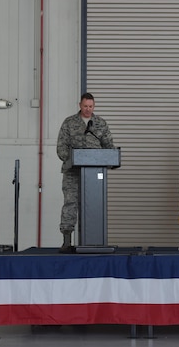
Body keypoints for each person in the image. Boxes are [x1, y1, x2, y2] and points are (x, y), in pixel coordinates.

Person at [56, 92, 115, 252]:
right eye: (85, 106)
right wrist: (72, 159)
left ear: (93, 106)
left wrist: (110, 158)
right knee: (70, 203)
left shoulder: (100, 124)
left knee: (93, 204)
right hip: (72, 173)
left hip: (94, 174)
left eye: (91, 106)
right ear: (79, 105)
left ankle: (94, 241)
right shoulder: (69, 123)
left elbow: (109, 146)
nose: (88, 109)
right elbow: (61, 147)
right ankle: (67, 240)